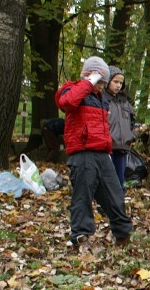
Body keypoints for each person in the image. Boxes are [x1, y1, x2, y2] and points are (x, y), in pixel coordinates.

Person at [55, 56, 133, 249]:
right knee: (83, 197)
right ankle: (81, 238)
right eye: (101, 82)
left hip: (102, 155)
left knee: (115, 195)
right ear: (91, 76)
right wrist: (89, 82)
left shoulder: (101, 100)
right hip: (82, 154)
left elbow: (103, 128)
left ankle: (123, 235)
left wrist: (107, 150)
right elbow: (67, 103)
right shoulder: (71, 90)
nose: (102, 87)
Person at [104, 66, 136, 190]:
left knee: (120, 180)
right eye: (115, 81)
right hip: (107, 146)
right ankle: (105, 206)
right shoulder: (103, 99)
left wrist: (131, 135)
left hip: (122, 147)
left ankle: (118, 205)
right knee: (108, 179)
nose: (118, 85)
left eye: (120, 83)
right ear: (108, 81)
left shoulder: (125, 102)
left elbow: (132, 121)